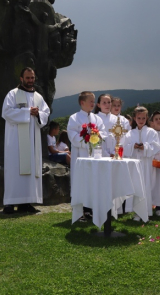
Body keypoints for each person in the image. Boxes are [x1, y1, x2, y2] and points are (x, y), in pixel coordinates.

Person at [2, 67, 51, 214]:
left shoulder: (38, 97)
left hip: (32, 141)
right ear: (21, 79)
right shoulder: (13, 94)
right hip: (15, 141)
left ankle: (26, 202)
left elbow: (46, 113)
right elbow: (6, 112)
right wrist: (27, 111)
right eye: (27, 78)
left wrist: (38, 114)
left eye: (32, 77)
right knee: (14, 169)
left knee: (30, 170)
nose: (30, 80)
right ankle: (10, 203)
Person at [67, 91, 107, 221]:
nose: (93, 103)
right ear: (82, 103)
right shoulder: (75, 118)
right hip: (81, 155)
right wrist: (86, 139)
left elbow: (104, 133)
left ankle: (90, 209)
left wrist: (98, 136)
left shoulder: (97, 118)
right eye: (90, 101)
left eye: (93, 101)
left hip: (94, 155)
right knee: (81, 181)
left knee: (92, 181)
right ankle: (80, 210)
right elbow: (72, 136)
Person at [123, 106, 160, 221]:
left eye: (143, 118)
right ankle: (136, 212)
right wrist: (132, 146)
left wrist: (145, 147)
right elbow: (124, 147)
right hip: (134, 163)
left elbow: (156, 146)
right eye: (139, 118)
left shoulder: (151, 132)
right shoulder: (130, 133)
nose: (141, 120)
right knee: (135, 185)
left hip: (146, 163)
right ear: (134, 118)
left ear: (147, 118)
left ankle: (146, 210)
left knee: (146, 185)